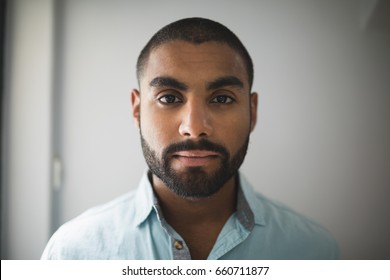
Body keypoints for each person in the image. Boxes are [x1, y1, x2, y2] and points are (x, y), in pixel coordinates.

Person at [41, 17, 339, 260]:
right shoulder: (72, 253)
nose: (194, 128)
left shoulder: (314, 252)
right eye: (169, 97)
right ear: (137, 110)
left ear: (252, 111)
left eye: (222, 99)